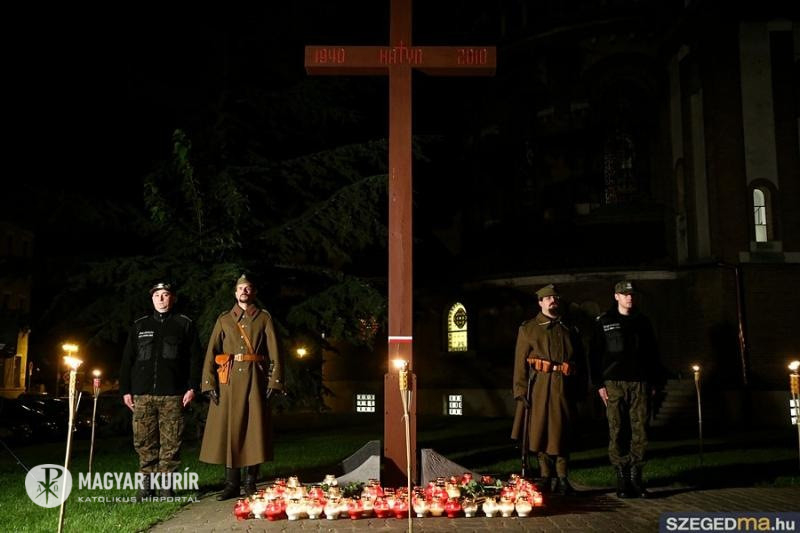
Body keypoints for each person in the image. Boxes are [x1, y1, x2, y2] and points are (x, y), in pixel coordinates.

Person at [199, 274, 284, 500]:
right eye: (240, 288)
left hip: (256, 380)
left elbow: (275, 352)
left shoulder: (263, 318)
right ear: (235, 293)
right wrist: (208, 383)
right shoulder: (224, 320)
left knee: (254, 430)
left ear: (253, 292)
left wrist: (274, 381)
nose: (244, 292)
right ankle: (231, 484)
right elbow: (211, 352)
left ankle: (250, 482)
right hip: (228, 384)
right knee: (230, 431)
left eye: (248, 288)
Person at [119, 282, 202, 499]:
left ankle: (166, 487)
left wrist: (193, 387)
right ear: (152, 299)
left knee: (171, 443)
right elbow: (128, 360)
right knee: (144, 442)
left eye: (165, 295)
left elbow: (195, 359)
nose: (161, 299)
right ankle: (146, 487)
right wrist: (125, 390)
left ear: (172, 298)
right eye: (157, 295)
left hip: (173, 395)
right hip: (143, 395)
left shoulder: (184, 324)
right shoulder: (140, 326)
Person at [589, 280, 663, 498]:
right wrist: (599, 384)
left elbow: (652, 353)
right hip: (614, 383)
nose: (629, 297)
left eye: (631, 294)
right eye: (624, 294)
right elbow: (594, 354)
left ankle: (636, 477)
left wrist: (654, 381)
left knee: (640, 429)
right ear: (616, 296)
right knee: (617, 428)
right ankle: (622, 477)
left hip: (640, 382)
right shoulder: (604, 321)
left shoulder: (642, 321)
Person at [511, 284, 584, 495]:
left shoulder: (570, 328)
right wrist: (520, 391)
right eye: (548, 298)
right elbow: (520, 364)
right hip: (540, 387)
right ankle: (545, 476)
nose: (553, 301)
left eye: (555, 298)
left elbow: (581, 362)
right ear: (540, 302)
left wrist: (581, 388)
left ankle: (562, 477)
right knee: (540, 431)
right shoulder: (528, 329)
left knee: (562, 432)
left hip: (564, 387)